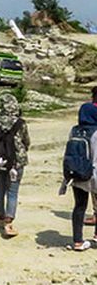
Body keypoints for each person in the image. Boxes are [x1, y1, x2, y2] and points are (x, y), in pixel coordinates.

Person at [0, 93, 29, 238]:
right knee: (12, 191)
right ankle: (9, 221)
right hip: (16, 162)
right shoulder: (20, 123)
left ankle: (1, 216)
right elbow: (26, 141)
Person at [69, 86, 97, 250]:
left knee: (79, 206)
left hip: (77, 173)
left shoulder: (75, 130)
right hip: (94, 175)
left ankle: (77, 241)